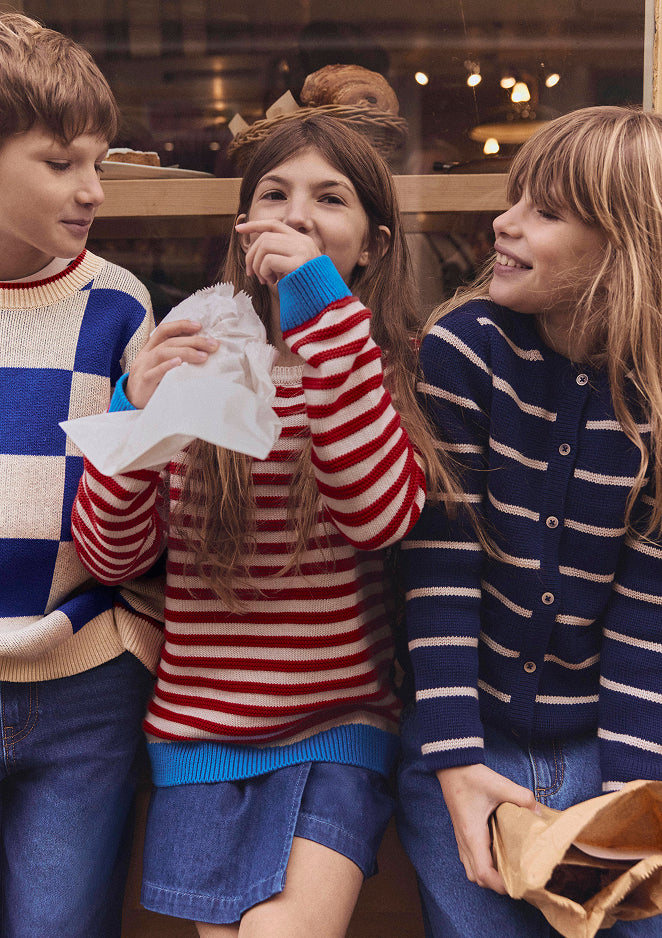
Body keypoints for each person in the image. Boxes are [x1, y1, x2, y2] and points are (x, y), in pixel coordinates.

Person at [71, 113, 448, 936]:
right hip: (199, 741)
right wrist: (135, 410)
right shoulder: (203, 358)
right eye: (274, 194)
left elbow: (379, 515)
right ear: (243, 229)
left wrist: (320, 302)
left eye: (330, 198)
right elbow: (111, 552)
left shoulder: (391, 371)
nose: (297, 214)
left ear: (375, 244)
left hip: (335, 730)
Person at [0, 13, 163, 937]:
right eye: (61, 164)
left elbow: (133, 518)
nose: (93, 189)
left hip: (84, 687)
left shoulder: (119, 306)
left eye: (100, 160)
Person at [397, 105, 662, 936]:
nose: (503, 223)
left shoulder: (653, 402)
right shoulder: (463, 352)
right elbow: (439, 573)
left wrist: (628, 798)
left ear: (624, 249)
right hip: (461, 728)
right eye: (517, 199)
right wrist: (456, 761)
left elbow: (647, 613)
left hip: (606, 735)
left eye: (544, 212)